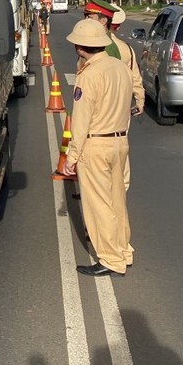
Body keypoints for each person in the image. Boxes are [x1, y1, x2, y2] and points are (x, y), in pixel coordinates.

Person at [61, 19, 134, 278]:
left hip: (96, 143)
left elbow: (81, 120)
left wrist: (72, 155)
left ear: (80, 47)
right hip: (120, 140)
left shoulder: (89, 74)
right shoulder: (120, 67)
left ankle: (111, 259)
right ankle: (123, 250)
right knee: (117, 201)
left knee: (99, 206)